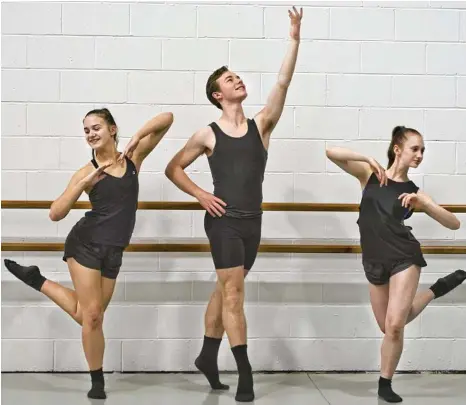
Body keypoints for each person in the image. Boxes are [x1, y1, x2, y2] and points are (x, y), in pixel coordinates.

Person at [164, 6, 303, 402]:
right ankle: (245, 374)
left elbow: (283, 82)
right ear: (217, 94)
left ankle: (207, 356)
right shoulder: (207, 134)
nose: (238, 80)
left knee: (225, 291)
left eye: (238, 77)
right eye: (230, 79)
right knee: (234, 296)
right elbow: (173, 168)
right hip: (223, 222)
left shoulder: (262, 126)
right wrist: (201, 194)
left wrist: (293, 39)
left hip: (252, 223)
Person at [4, 108, 174, 399]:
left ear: (112, 129)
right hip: (84, 245)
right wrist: (82, 186)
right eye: (86, 130)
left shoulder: (132, 159)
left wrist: (136, 138)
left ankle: (37, 280)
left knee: (87, 315)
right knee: (93, 317)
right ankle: (97, 382)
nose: (91, 134)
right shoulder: (85, 172)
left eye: (96, 127)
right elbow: (55, 213)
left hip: (114, 251)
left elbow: (167, 119)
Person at [326, 126, 466, 403]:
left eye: (423, 150)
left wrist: (425, 203)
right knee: (386, 324)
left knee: (395, 326)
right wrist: (367, 159)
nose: (420, 155)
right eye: (415, 148)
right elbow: (330, 152)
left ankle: (385, 383)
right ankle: (436, 290)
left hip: (404, 256)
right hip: (374, 259)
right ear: (397, 149)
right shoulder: (370, 177)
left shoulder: (413, 192)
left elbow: (454, 223)